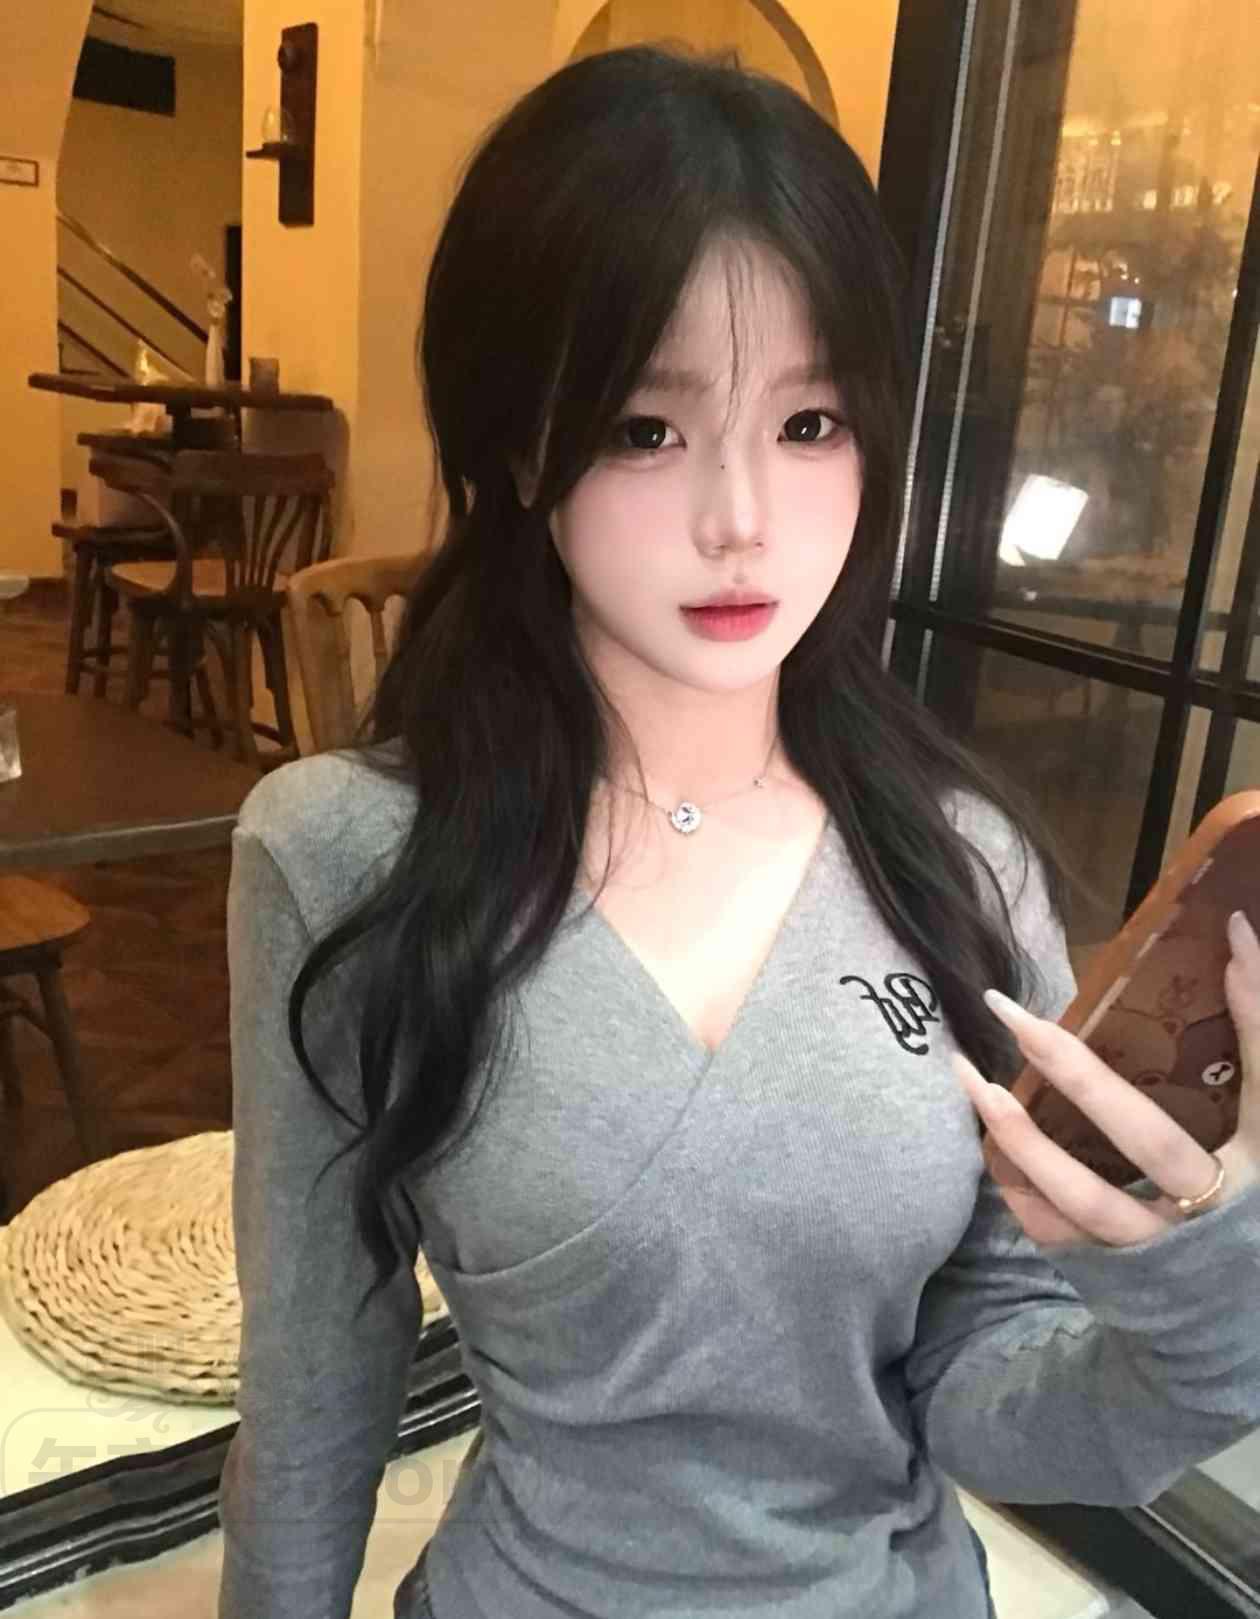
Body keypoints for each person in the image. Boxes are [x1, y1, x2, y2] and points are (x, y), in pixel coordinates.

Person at [215, 43, 1260, 1619]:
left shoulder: (955, 862)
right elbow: (315, 1387)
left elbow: (984, 1385)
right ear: (520, 445)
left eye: (811, 422)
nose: (743, 522)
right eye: (646, 429)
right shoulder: (342, 856)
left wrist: (1215, 1323)